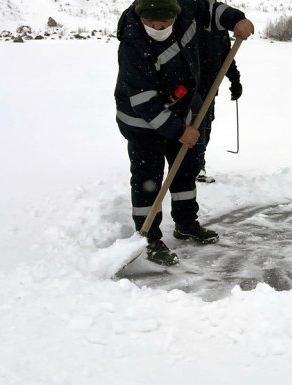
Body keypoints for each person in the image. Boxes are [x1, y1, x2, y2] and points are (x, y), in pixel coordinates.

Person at [114, 0, 254, 265]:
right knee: (148, 180)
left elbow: (211, 10)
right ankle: (149, 239)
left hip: (183, 110)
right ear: (140, 15)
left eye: (165, 21)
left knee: (185, 171)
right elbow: (144, 102)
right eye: (151, 22)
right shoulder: (132, 43)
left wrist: (235, 19)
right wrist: (179, 131)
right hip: (142, 122)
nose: (158, 26)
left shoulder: (187, 6)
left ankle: (186, 224)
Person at [195, 29, 243, 184]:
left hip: (209, 89)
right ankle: (194, 167)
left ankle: (196, 164)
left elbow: (226, 58)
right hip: (189, 90)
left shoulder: (219, 29)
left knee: (205, 127)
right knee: (196, 129)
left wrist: (235, 81)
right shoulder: (189, 23)